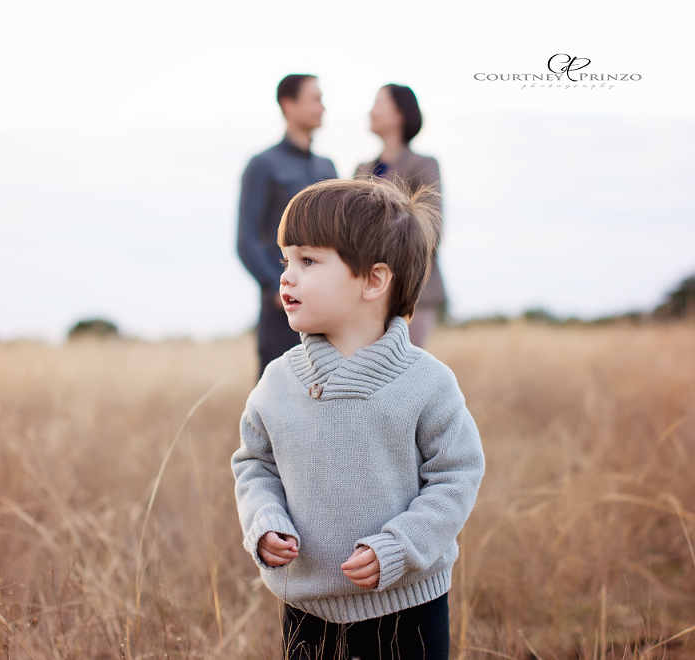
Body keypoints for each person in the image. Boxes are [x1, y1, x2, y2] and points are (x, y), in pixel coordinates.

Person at [231, 178, 485, 660]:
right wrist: (264, 523)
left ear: (373, 280)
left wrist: (399, 547)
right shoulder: (278, 381)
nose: (286, 276)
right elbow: (255, 466)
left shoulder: (425, 383)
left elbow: (456, 474)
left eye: (308, 261)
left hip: (408, 609)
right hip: (309, 610)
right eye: (286, 260)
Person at [237, 74, 338, 378]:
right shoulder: (263, 165)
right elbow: (247, 240)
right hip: (283, 311)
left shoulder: (327, 168)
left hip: (328, 309)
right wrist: (275, 288)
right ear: (288, 104)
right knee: (274, 407)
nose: (322, 107)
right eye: (315, 99)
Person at [355, 84, 446, 347]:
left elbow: (432, 227)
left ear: (399, 114)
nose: (371, 111)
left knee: (407, 372)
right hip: (369, 290)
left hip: (414, 289)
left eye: (378, 103)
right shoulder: (361, 169)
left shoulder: (423, 165)